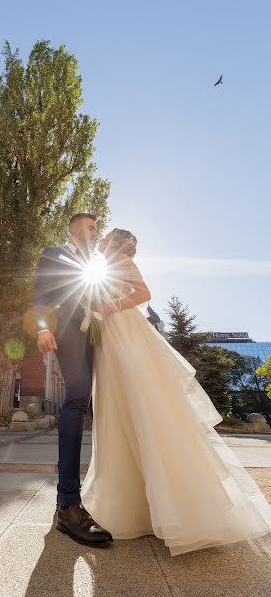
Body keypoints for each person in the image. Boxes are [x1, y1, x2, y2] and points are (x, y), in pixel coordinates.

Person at [80, 228, 271, 556]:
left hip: (126, 337)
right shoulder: (104, 267)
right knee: (118, 412)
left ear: (116, 242)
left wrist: (105, 308)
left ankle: (182, 509)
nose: (101, 239)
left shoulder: (121, 260)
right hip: (111, 340)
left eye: (106, 235)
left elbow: (142, 293)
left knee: (142, 408)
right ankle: (136, 505)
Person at [33, 213, 113, 548]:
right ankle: (68, 503)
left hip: (97, 337)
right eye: (92, 227)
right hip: (65, 332)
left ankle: (71, 504)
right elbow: (40, 290)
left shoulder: (94, 262)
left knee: (90, 402)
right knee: (77, 398)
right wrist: (41, 326)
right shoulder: (54, 253)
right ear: (76, 229)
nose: (95, 232)